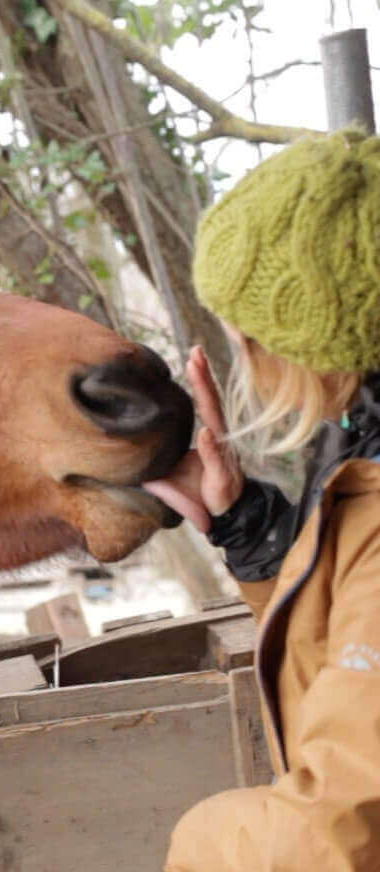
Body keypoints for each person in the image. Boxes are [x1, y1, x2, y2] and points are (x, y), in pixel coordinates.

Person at [142, 129, 380, 872]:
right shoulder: (360, 441)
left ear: (318, 333)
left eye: (248, 333)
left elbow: (328, 839)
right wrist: (247, 523)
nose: (241, 352)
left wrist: (196, 846)